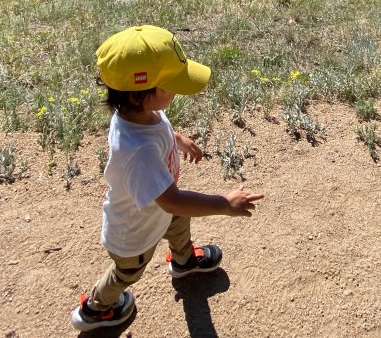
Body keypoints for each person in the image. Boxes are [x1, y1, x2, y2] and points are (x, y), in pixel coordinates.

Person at [71, 25, 265, 332]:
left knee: (178, 223)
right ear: (140, 95)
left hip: (159, 210)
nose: (176, 90)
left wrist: (175, 138)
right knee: (126, 274)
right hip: (134, 234)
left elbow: (156, 129)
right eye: (171, 84)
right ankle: (96, 307)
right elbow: (172, 198)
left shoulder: (137, 113)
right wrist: (224, 203)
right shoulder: (139, 152)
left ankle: (184, 262)